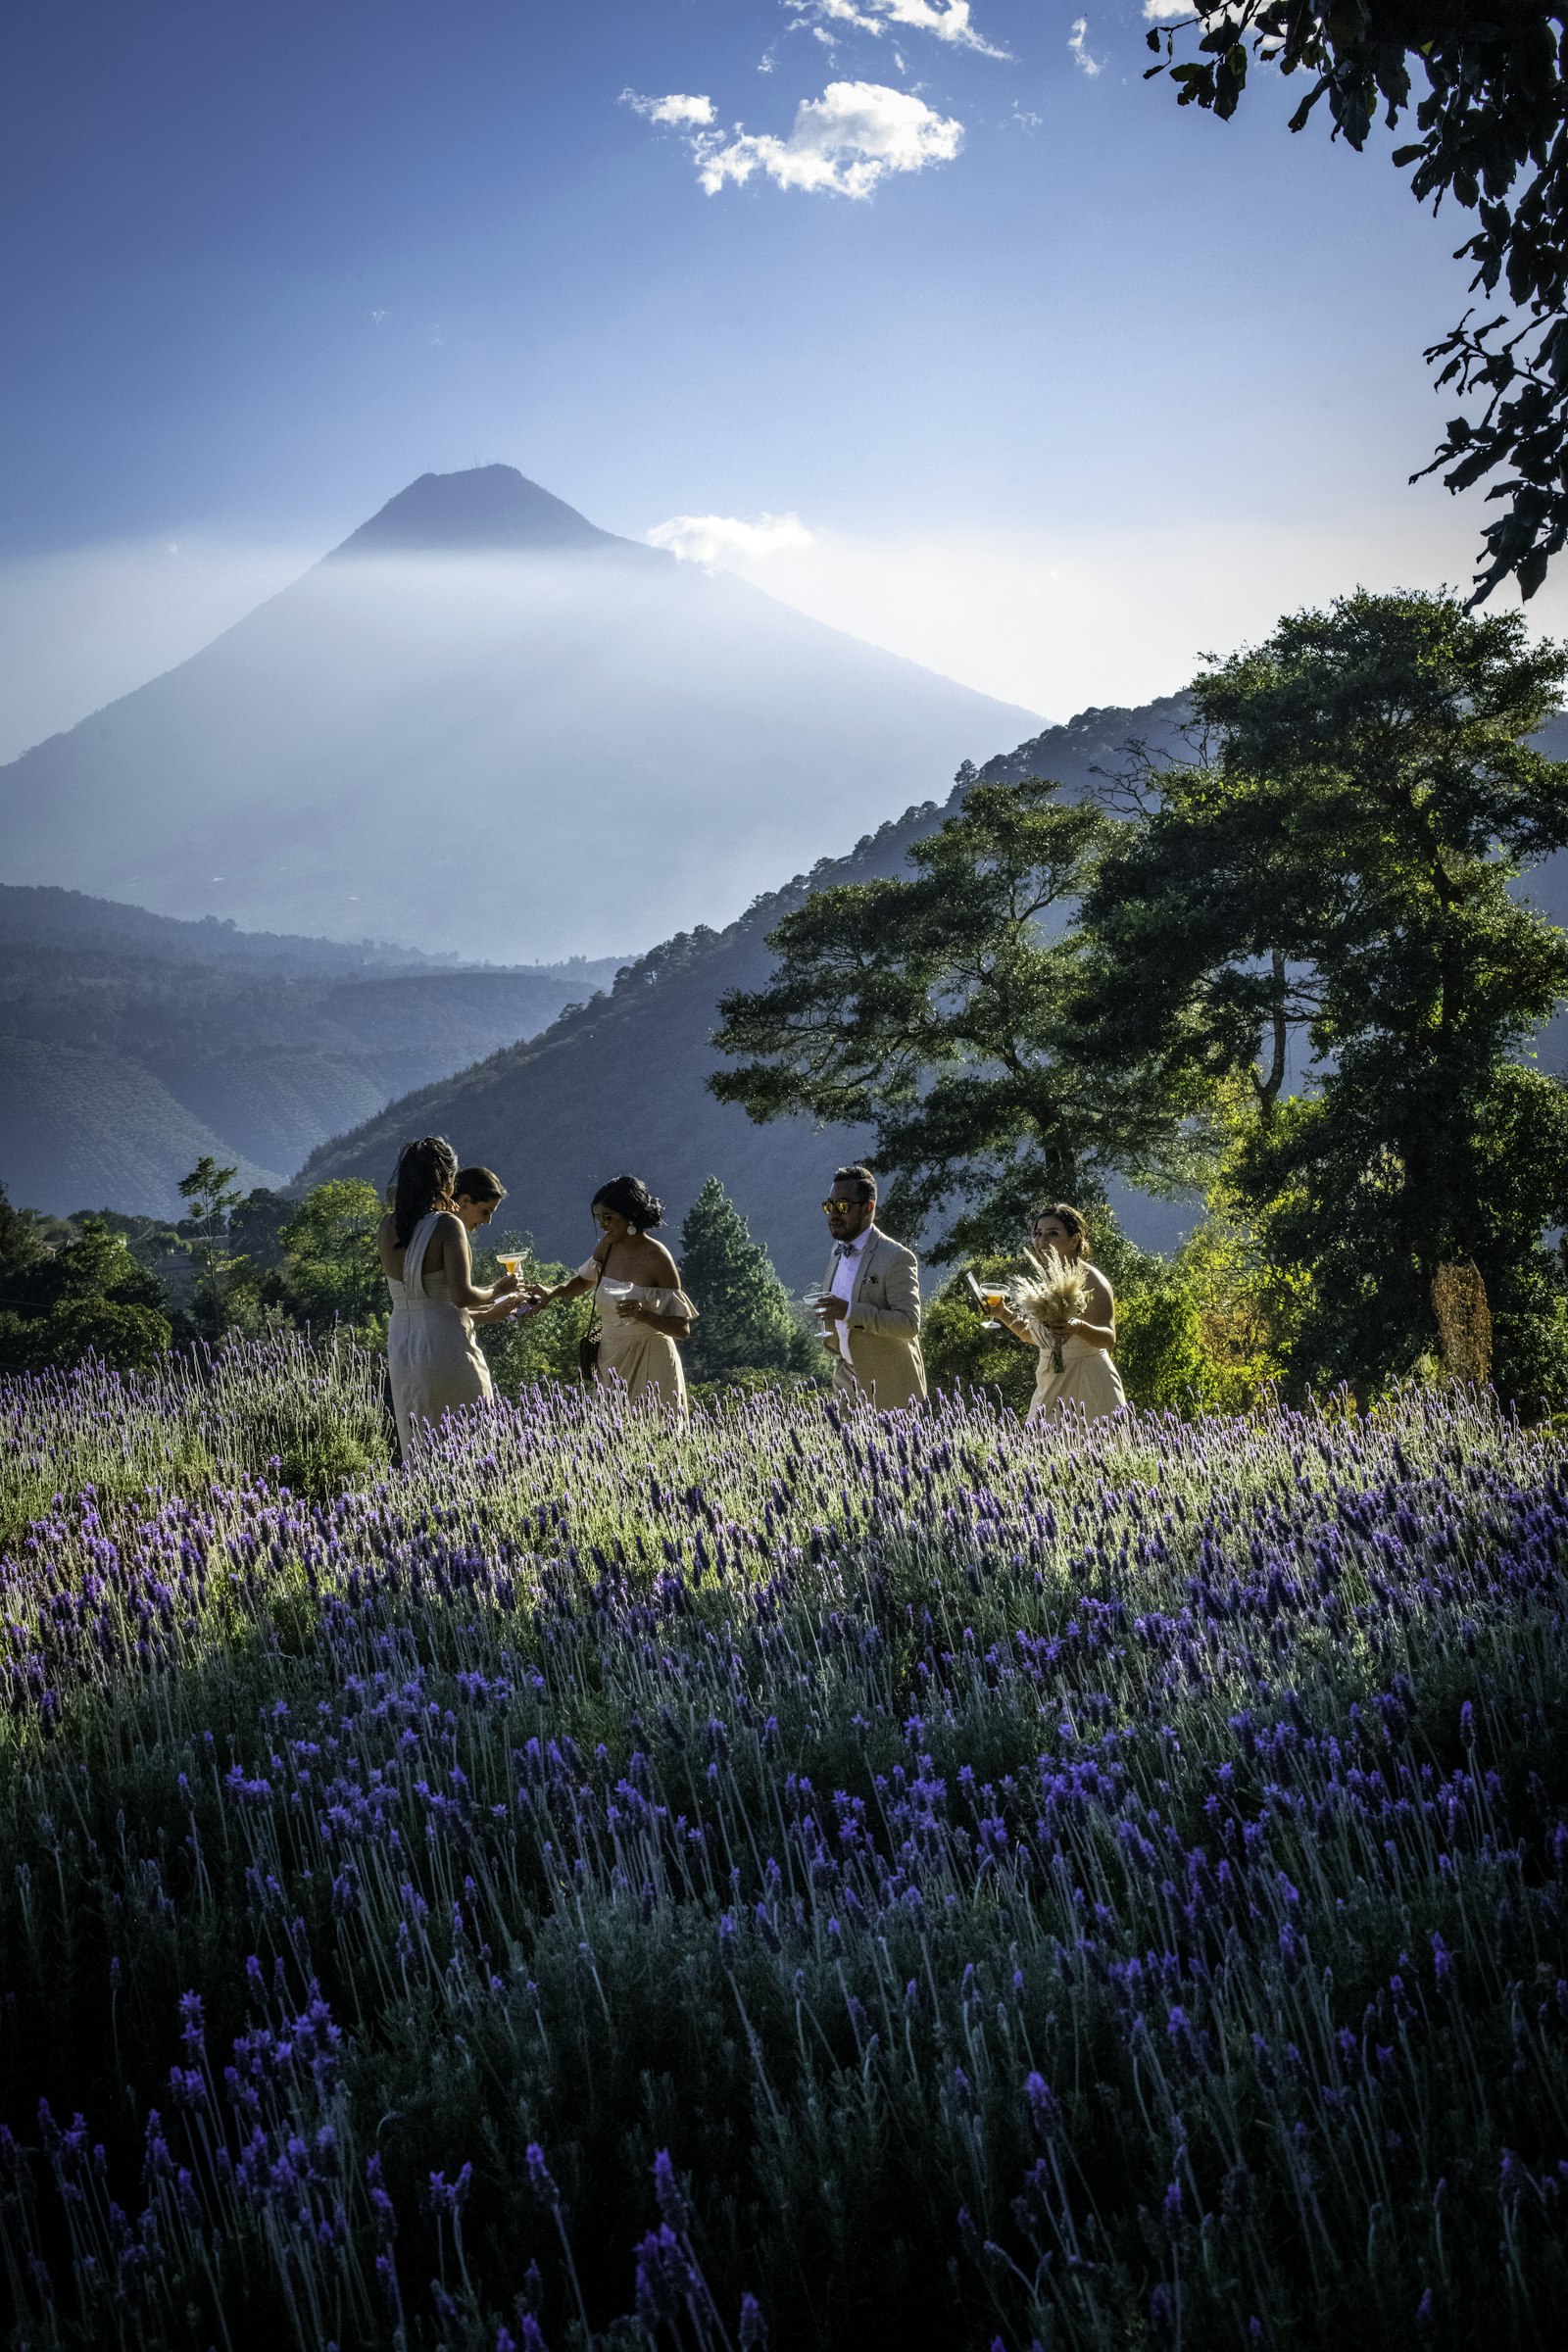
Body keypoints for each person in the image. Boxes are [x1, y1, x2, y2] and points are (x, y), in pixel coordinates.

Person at [377, 1137, 523, 1455]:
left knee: (422, 1442)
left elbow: (426, 1297)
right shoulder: (446, 1226)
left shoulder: (387, 1226)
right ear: (446, 1180)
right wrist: (499, 1289)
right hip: (445, 1346)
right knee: (473, 1439)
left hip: (403, 1344)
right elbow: (462, 1296)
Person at [527, 1174, 697, 1413]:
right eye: (599, 1218)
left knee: (657, 1436)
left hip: (651, 1359)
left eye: (609, 1218)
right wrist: (552, 1292)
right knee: (608, 1437)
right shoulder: (607, 1247)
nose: (603, 1225)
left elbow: (681, 1329)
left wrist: (644, 1315)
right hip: (609, 1355)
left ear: (631, 1217)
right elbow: (583, 1281)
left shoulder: (657, 1258)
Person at [992, 1201, 1126, 1424]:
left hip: (1089, 1382)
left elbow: (1108, 1339)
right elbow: (1036, 1336)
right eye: (1038, 1233)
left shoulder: (1093, 1281)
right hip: (1050, 1381)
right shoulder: (1049, 1280)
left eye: (1052, 1234)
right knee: (1039, 1452)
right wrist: (1002, 1313)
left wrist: (1079, 1327)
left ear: (1074, 1240)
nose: (1042, 1241)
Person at [814, 1164, 926, 1409]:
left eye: (843, 1206)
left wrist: (849, 1312)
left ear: (869, 1208)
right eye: (829, 1206)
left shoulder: (896, 1257)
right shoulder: (837, 1250)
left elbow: (908, 1324)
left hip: (890, 1387)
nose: (834, 1214)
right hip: (845, 1379)